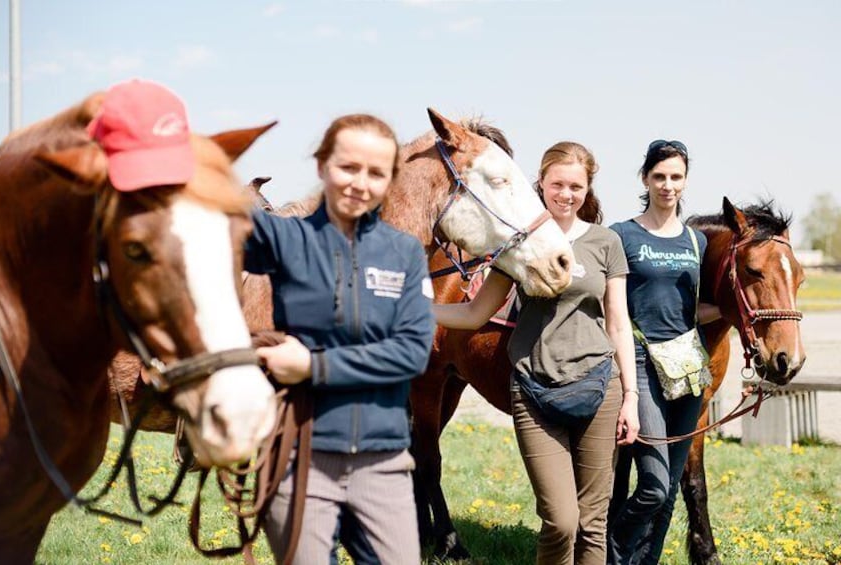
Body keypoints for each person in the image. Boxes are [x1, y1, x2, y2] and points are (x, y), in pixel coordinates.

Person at [433, 141, 640, 565]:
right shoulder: (517, 243)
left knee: (592, 524)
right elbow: (474, 313)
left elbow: (618, 323)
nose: (566, 194)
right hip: (534, 390)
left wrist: (632, 399)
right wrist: (411, 308)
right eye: (558, 184)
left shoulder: (606, 242)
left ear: (588, 189)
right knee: (560, 520)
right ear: (541, 185)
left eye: (576, 186)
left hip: (601, 388)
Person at [244, 114, 436, 565]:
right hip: (298, 457)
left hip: (383, 463)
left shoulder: (405, 253)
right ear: (321, 166)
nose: (360, 183)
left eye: (376, 173)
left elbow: (410, 353)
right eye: (348, 167)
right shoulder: (282, 237)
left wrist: (313, 366)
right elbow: (195, 233)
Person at [606, 139, 720, 564]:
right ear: (645, 179)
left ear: (685, 180)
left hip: (686, 365)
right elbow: (613, 308)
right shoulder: (622, 235)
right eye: (659, 176)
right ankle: (611, 555)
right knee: (653, 483)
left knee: (670, 489)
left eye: (675, 176)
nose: (667, 185)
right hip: (639, 362)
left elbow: (693, 310)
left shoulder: (696, 242)